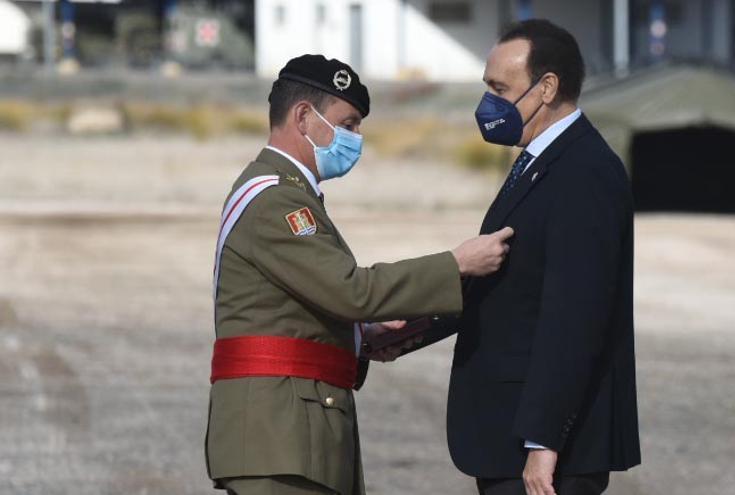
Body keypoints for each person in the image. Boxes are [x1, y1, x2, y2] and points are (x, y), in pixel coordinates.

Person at [204, 54, 514, 495]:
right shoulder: (276, 201)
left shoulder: (287, 193)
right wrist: (456, 264)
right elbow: (351, 291)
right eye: (347, 124)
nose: (355, 138)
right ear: (304, 117)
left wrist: (361, 338)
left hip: (287, 429)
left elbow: (295, 309)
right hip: (277, 433)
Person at [421, 20, 641, 495]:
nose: (490, 104)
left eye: (501, 89)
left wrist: (543, 442)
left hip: (545, 451)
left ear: (546, 88)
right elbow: (507, 284)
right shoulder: (539, 161)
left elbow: (575, 316)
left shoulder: (585, 171)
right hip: (506, 434)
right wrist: (411, 329)